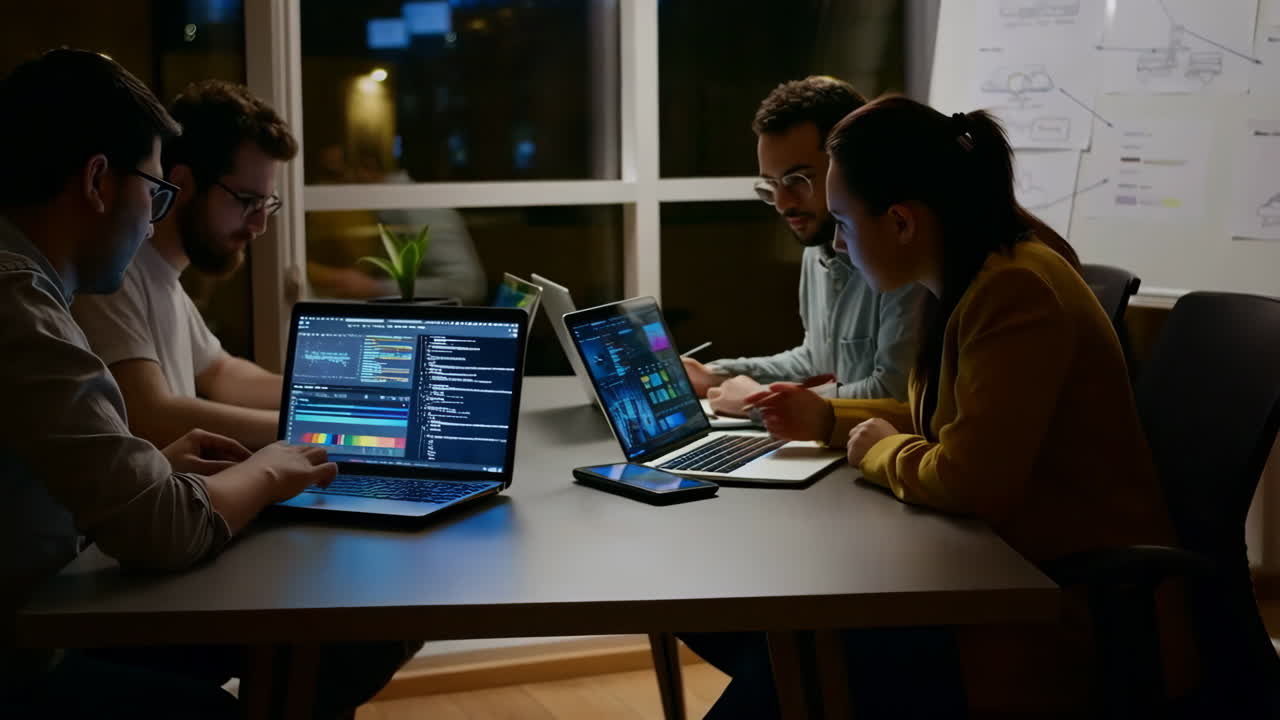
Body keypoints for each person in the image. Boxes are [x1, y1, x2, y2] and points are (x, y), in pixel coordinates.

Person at [696, 96, 1184, 717]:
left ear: (901, 222)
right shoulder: (970, 276)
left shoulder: (1015, 290)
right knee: (774, 645)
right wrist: (830, 420)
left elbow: (968, 479)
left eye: (844, 222)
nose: (837, 244)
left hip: (1055, 608)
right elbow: (955, 420)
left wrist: (880, 452)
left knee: (800, 654)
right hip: (996, 570)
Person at [0, 50, 412, 718]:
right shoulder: (23, 301)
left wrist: (343, 406)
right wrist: (282, 460)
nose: (151, 220)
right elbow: (159, 521)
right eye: (153, 191)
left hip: (54, 608)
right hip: (30, 649)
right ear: (98, 181)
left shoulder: (36, 286)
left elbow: (211, 377)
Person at [72, 80, 298, 450]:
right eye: (247, 200)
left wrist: (330, 393)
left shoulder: (162, 274)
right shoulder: (114, 274)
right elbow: (150, 415)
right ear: (182, 182)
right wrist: (309, 427)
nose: (260, 225)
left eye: (265, 203)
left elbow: (221, 372)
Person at [680, 76, 925, 417]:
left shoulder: (901, 251)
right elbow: (816, 360)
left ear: (851, 165)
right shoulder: (818, 246)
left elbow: (896, 396)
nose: (783, 203)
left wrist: (761, 403)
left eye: (798, 180)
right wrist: (715, 376)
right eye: (771, 184)